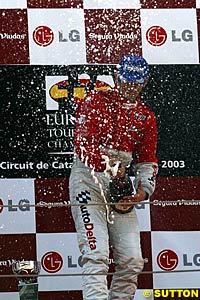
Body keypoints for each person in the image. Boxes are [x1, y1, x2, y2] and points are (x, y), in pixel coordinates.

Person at [69, 54, 158, 300]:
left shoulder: (146, 116)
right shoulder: (95, 101)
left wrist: (142, 190)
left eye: (136, 83)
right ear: (117, 77)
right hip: (88, 180)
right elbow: (84, 146)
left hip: (119, 186)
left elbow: (147, 160)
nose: (130, 87)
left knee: (132, 260)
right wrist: (109, 165)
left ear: (145, 82)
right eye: (126, 81)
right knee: (95, 254)